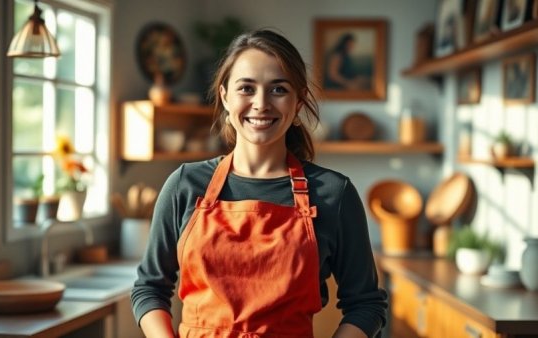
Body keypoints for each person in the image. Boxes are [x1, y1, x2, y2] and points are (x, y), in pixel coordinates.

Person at [131, 29, 387, 338]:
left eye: (278, 89)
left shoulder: (334, 193)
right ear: (225, 97)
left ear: (298, 101)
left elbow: (367, 304)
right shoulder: (185, 185)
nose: (261, 103)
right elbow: (149, 287)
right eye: (246, 88)